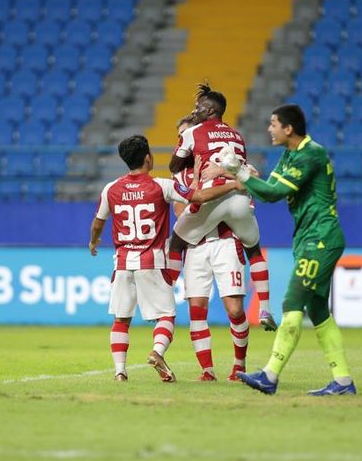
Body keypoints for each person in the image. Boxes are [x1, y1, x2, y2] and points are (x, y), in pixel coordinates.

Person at [210, 104, 356, 396]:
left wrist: (239, 171)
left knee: (291, 303)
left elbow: (276, 192)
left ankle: (270, 375)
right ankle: (342, 381)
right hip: (309, 238)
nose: (269, 129)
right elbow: (267, 192)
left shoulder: (310, 153)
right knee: (317, 311)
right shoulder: (291, 155)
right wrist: (239, 173)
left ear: (288, 128)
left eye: (273, 123)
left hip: (320, 238)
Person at [89, 134, 237, 383]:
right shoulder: (162, 186)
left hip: (123, 263)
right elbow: (198, 198)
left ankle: (120, 372)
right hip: (152, 261)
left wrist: (93, 241)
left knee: (121, 319)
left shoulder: (110, 189)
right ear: (148, 157)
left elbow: (98, 223)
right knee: (166, 316)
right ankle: (157, 352)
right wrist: (233, 185)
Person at [167, 83, 277, 333]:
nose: (194, 111)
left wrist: (192, 160)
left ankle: (165, 300)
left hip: (213, 198)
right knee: (254, 248)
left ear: (209, 110)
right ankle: (266, 308)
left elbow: (174, 166)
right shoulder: (237, 135)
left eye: (198, 108)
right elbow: (244, 169)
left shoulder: (192, 133)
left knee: (176, 241)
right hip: (240, 197)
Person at [173, 116, 249, 382]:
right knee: (197, 308)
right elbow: (183, 215)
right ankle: (207, 371)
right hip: (197, 248)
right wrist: (195, 182)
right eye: (180, 137)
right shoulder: (179, 176)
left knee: (235, 310)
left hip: (227, 241)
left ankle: (239, 365)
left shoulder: (224, 162)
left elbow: (252, 177)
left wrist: (225, 176)